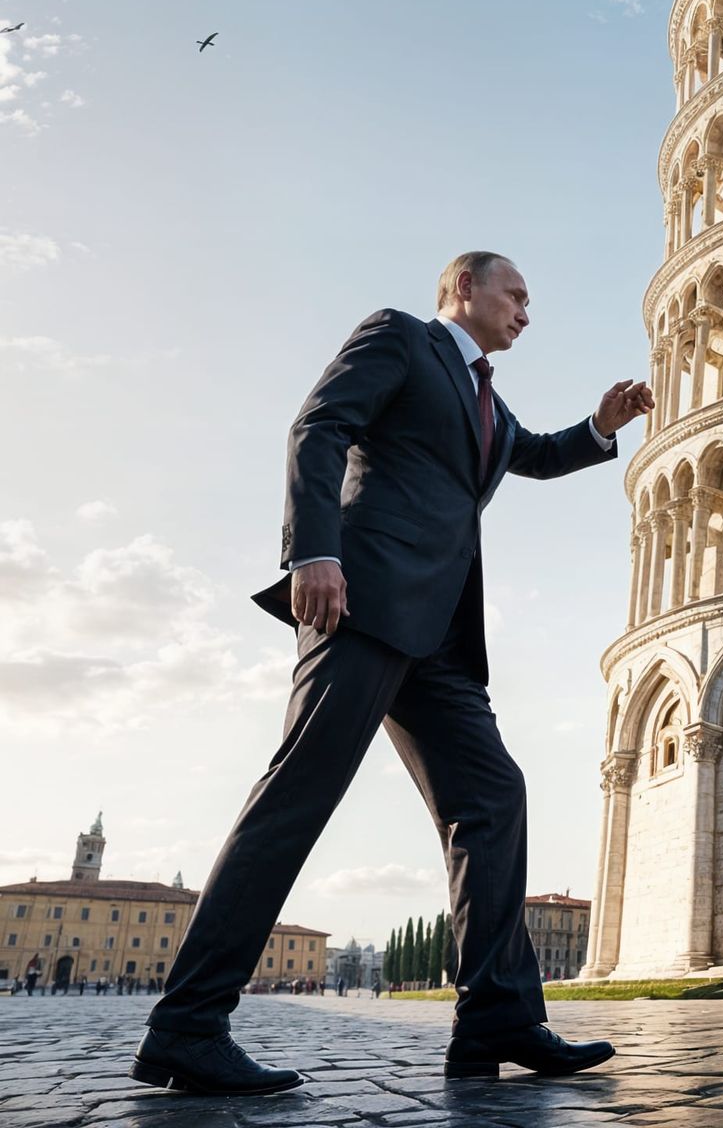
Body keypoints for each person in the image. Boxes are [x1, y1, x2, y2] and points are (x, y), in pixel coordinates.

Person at [131, 253, 651, 1097]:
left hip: (440, 635)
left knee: (493, 797)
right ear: (464, 289)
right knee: (298, 794)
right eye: (515, 294)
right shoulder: (401, 339)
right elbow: (319, 426)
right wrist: (315, 551)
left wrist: (600, 426)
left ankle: (497, 1019)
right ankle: (186, 1028)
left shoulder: (487, 401)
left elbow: (532, 454)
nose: (526, 312)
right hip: (361, 600)